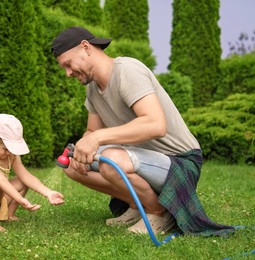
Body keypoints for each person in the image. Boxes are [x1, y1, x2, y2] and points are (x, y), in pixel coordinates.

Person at [51, 26, 234, 236]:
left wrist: (97, 139)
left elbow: (155, 125)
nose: (67, 73)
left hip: (179, 162)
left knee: (111, 160)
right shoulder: (92, 90)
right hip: (142, 159)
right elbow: (92, 130)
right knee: (72, 165)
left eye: (68, 64)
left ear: (86, 47)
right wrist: (83, 148)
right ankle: (137, 206)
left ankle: (158, 212)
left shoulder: (127, 70)